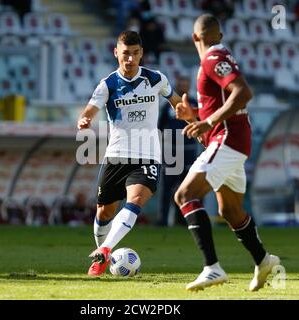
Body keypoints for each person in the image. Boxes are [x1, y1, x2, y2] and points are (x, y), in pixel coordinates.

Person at [174, 14, 280, 292]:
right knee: (230, 210)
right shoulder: (217, 57)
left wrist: (207, 122)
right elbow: (221, 106)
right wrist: (194, 116)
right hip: (232, 140)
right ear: (219, 35)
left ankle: (212, 268)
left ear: (195, 38)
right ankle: (264, 260)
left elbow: (243, 93)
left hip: (228, 139)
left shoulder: (212, 59)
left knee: (185, 195)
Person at [77, 30, 183, 276]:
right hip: (117, 155)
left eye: (135, 54)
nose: (130, 59)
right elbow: (90, 109)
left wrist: (188, 114)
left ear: (142, 53)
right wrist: (84, 120)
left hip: (147, 155)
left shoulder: (156, 79)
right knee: (104, 211)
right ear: (116, 53)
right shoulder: (108, 84)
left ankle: (104, 251)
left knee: (136, 200)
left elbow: (176, 101)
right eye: (125, 54)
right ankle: (103, 254)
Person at [157, 75, 197, 226]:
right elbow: (160, 127)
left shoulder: (194, 104)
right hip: (171, 152)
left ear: (189, 85)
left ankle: (183, 221)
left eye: (186, 83)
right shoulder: (168, 105)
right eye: (181, 83)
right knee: (167, 189)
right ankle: (163, 220)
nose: (183, 86)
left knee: (186, 189)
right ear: (177, 85)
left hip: (189, 151)